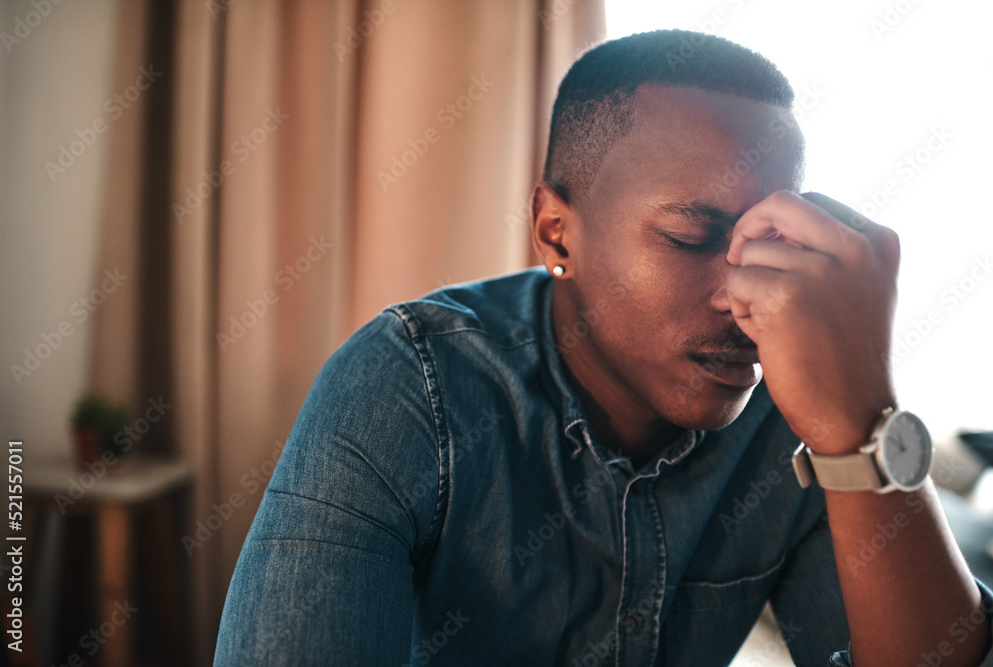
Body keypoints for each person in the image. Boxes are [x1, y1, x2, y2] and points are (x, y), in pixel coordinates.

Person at [215, 29, 993, 666]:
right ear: (557, 230)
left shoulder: (802, 401)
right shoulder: (407, 387)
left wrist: (863, 419)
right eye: (693, 236)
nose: (740, 295)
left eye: (767, 244)